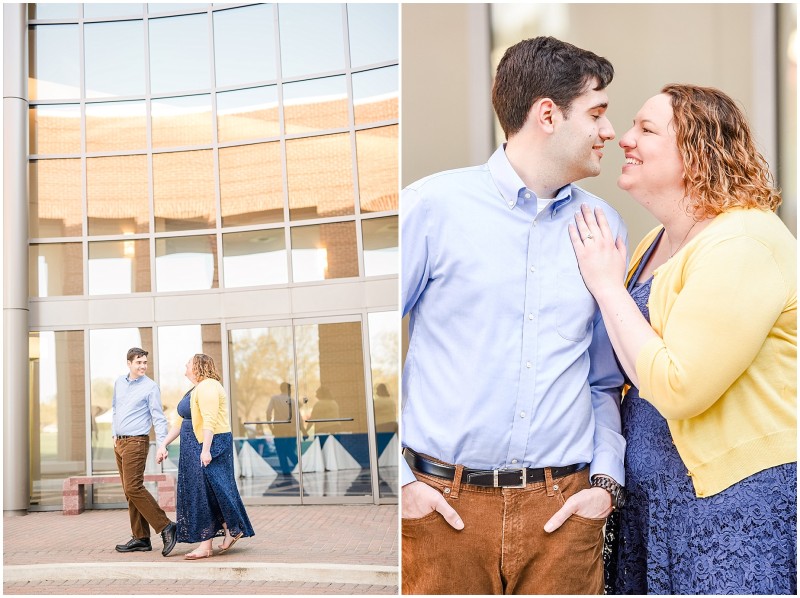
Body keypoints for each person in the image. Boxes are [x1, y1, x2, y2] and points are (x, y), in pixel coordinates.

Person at [401, 36, 627, 595]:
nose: (609, 132)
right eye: (596, 113)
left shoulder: (604, 227)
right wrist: (403, 485)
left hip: (564, 516)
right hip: (441, 514)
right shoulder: (430, 209)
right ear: (547, 114)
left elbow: (602, 379)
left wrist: (604, 484)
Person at [569, 84, 797, 594]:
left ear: (699, 151)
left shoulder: (744, 241)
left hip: (733, 504)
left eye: (646, 129)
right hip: (656, 505)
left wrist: (607, 286)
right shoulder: (654, 243)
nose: (624, 138)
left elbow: (680, 386)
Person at [157, 354, 255, 560]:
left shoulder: (209, 386)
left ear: (198, 366)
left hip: (209, 444)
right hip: (193, 447)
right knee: (205, 492)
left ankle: (210, 541)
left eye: (189, 362)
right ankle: (229, 528)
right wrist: (164, 444)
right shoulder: (194, 390)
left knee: (207, 491)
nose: (185, 365)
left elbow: (210, 419)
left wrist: (206, 449)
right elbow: (179, 422)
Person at [111, 347, 177, 556]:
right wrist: (114, 433)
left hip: (136, 442)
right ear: (128, 363)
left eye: (144, 363)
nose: (142, 366)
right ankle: (140, 537)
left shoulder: (150, 387)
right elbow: (115, 408)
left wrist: (162, 444)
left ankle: (166, 526)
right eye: (138, 362)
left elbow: (158, 417)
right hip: (120, 442)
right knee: (129, 491)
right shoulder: (119, 383)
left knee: (133, 487)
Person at [266, 382, 297, 473]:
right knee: (289, 450)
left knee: (281, 452)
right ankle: (300, 466)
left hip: (278, 428)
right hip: (289, 429)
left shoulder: (274, 399)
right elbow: (295, 416)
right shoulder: (292, 401)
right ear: (288, 389)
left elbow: (268, 412)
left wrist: (271, 427)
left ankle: (286, 472)